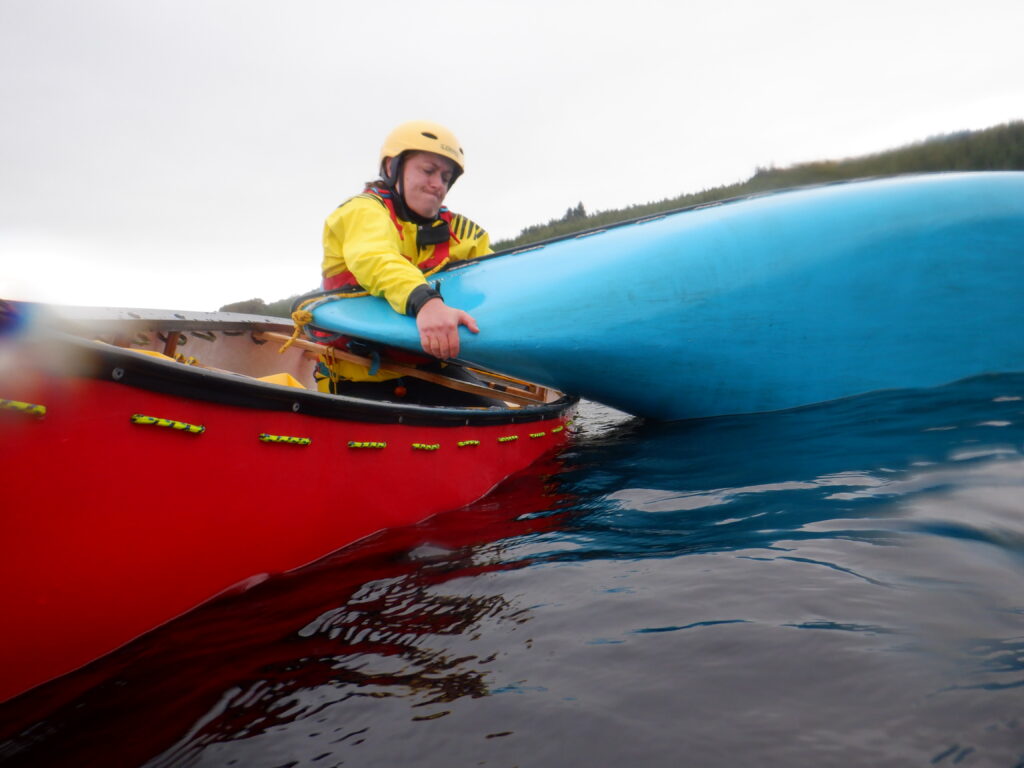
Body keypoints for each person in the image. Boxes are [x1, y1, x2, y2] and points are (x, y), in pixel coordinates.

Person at [316, 121, 494, 403]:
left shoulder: (463, 233)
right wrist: (427, 302)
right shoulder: (362, 211)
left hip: (434, 367)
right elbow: (375, 258)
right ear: (392, 168)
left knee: (495, 416)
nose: (438, 185)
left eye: (446, 177)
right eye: (428, 170)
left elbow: (496, 278)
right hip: (359, 374)